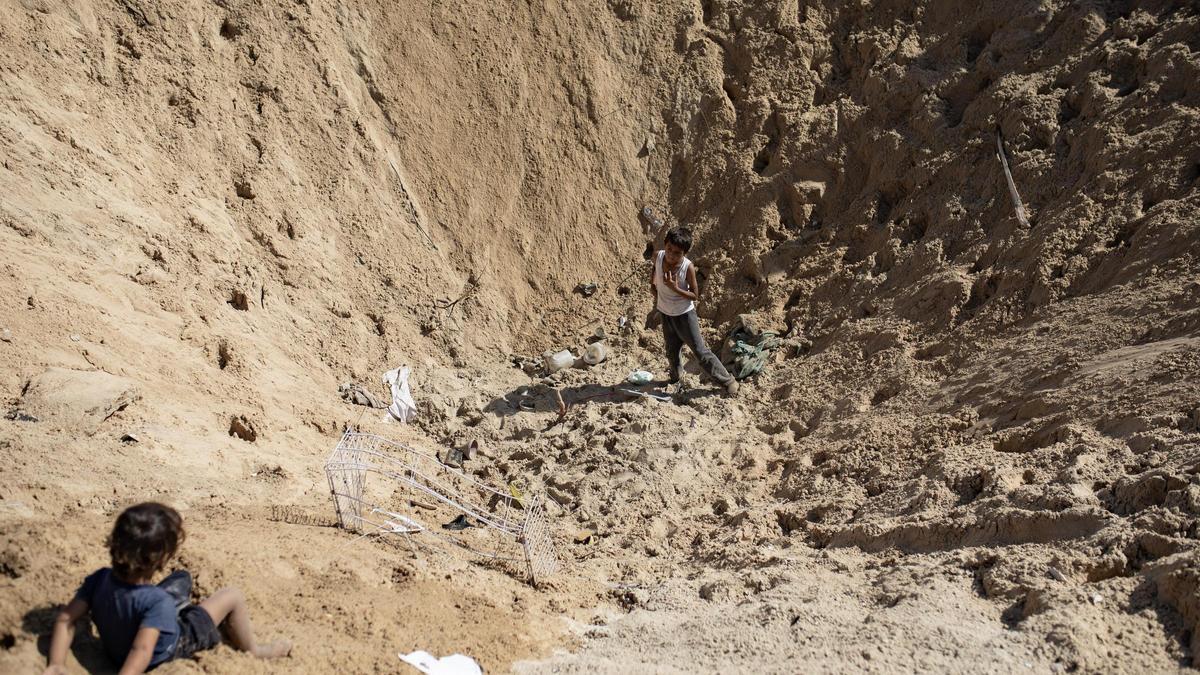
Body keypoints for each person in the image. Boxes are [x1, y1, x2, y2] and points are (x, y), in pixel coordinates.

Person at [43, 502, 289, 674]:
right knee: (231, 595)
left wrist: (56, 663)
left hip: (130, 630)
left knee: (181, 578)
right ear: (160, 559)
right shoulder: (155, 602)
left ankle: (179, 609)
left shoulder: (99, 578)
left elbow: (65, 619)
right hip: (175, 645)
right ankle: (255, 650)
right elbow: (142, 649)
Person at [649, 225, 739, 395]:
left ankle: (728, 381)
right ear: (665, 244)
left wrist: (675, 288)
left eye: (677, 253)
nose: (671, 255)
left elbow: (694, 295)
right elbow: (655, 270)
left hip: (684, 315)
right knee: (671, 351)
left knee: (700, 351)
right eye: (669, 249)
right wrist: (653, 288)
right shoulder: (658, 257)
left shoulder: (687, 267)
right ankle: (676, 378)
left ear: (684, 254)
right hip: (666, 313)